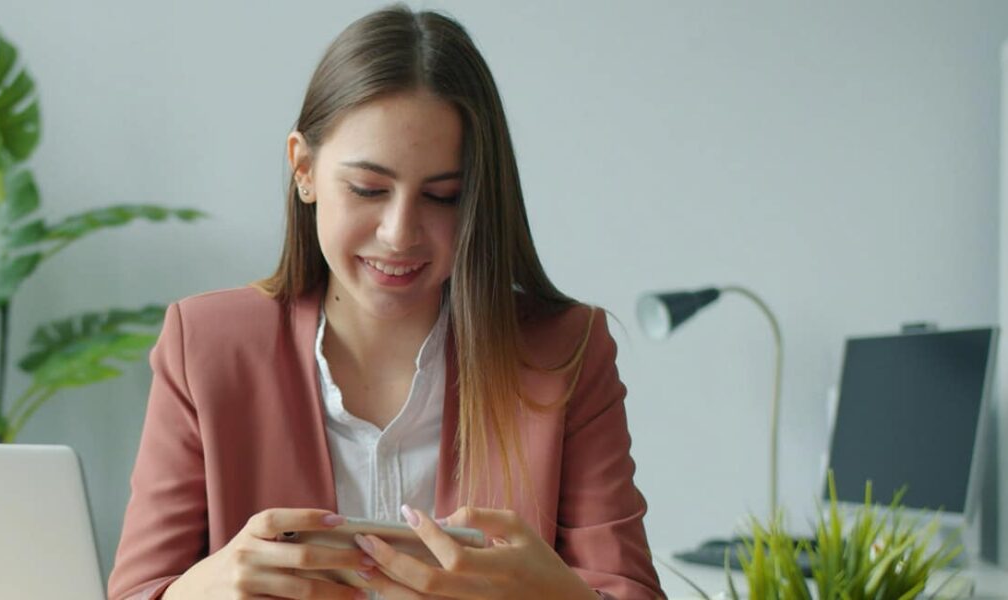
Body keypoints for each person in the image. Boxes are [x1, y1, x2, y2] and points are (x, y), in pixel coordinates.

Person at [108, 5, 663, 599]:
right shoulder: (206, 345)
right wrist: (199, 593)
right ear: (304, 169)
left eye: (443, 196)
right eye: (369, 189)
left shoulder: (565, 354)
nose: (401, 233)